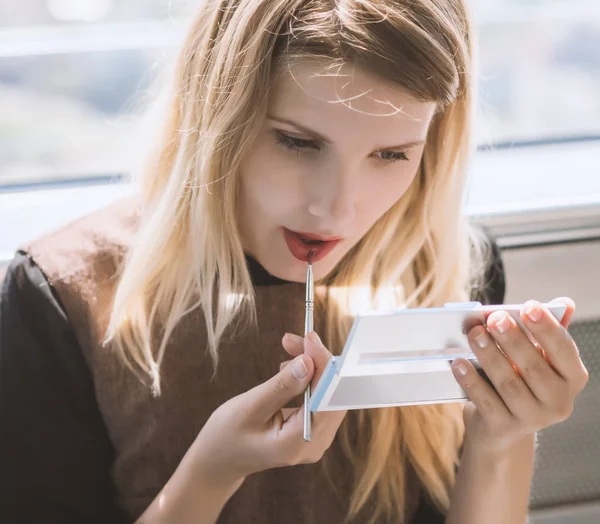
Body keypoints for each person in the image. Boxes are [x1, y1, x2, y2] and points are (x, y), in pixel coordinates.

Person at [0, 1, 589, 523]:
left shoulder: (451, 278)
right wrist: (209, 476)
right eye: (298, 142)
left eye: (390, 154)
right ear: (219, 113)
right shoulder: (63, 296)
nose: (335, 209)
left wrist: (504, 433)